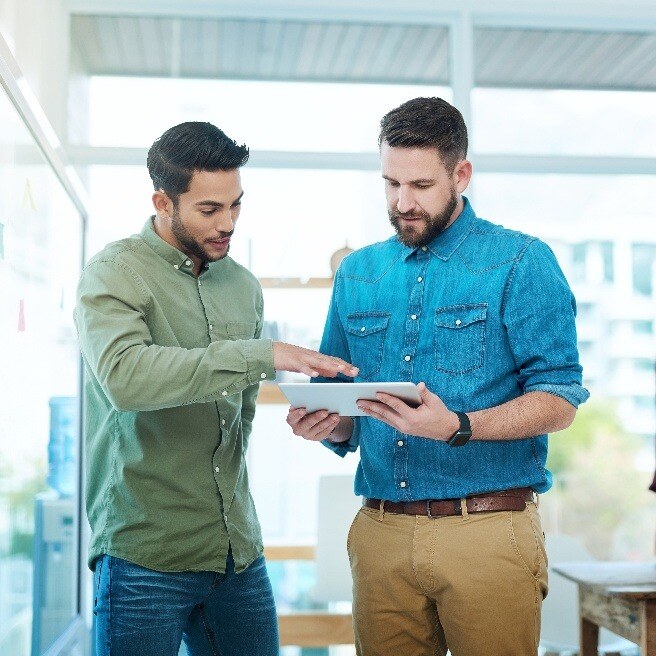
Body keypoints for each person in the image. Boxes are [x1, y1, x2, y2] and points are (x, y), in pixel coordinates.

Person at [287, 97, 589, 656]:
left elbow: (559, 399)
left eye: (421, 185)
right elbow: (343, 405)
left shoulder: (521, 262)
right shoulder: (358, 273)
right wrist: (326, 424)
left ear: (461, 174)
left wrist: (459, 424)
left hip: (487, 533)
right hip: (380, 535)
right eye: (390, 184)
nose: (403, 203)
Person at [74, 121, 358, 656]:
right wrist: (262, 354)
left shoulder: (243, 287)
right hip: (144, 554)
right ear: (163, 201)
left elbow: (239, 417)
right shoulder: (113, 274)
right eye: (209, 210)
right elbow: (126, 378)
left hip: (236, 552)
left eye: (236, 206)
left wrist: (315, 417)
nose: (227, 223)